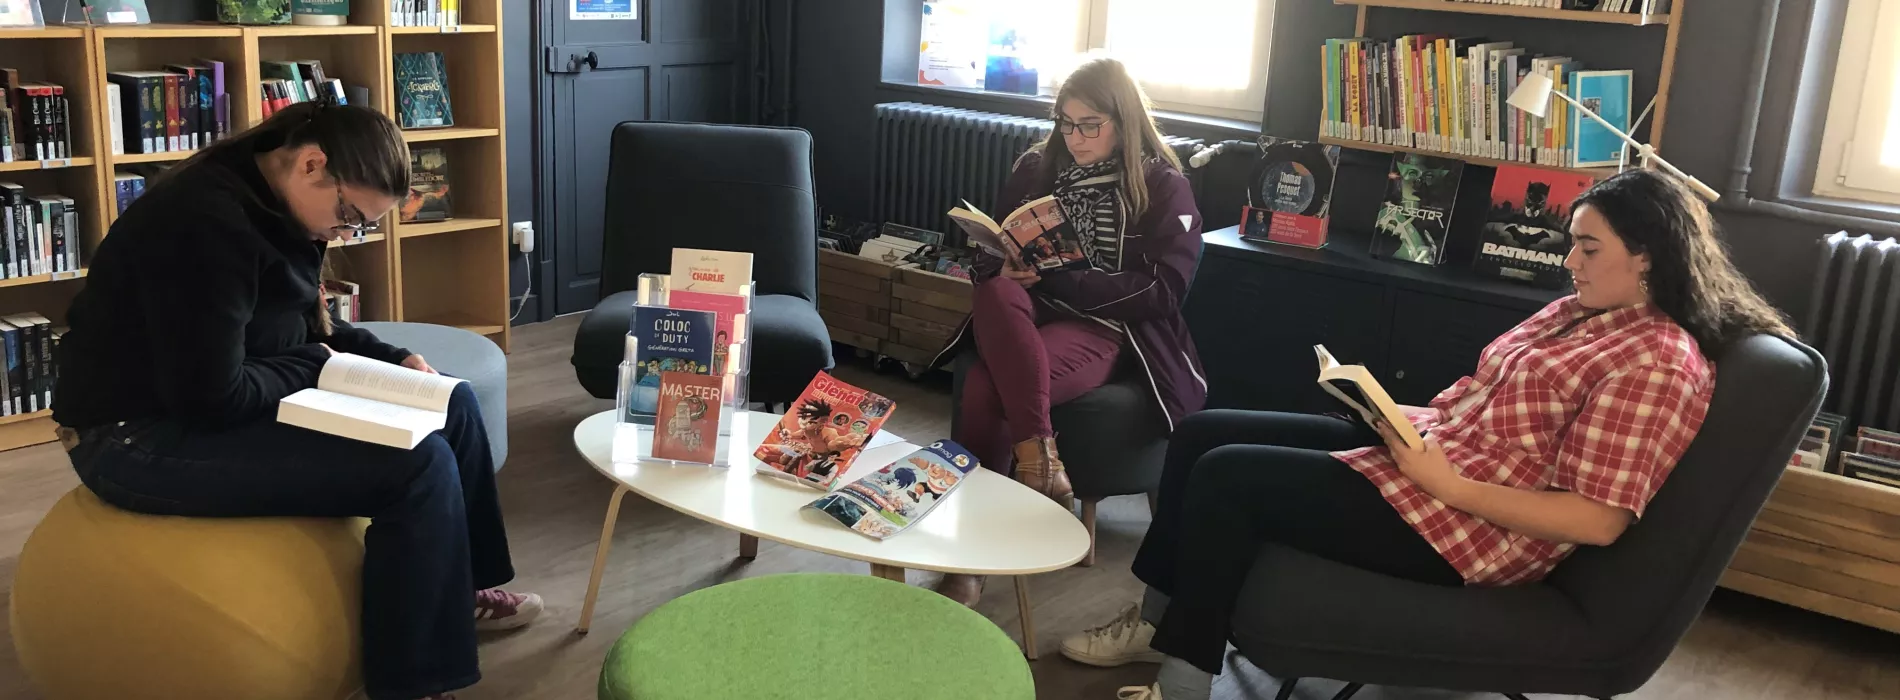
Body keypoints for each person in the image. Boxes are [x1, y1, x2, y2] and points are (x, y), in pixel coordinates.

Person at [1060, 170, 1795, 700]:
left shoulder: (1658, 363)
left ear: (1649, 256)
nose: (1569, 261)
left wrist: (1447, 482)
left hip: (1466, 527)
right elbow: (1484, 403)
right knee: (1202, 434)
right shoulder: (1581, 311)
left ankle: (1183, 680)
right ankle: (1157, 619)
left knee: (1230, 479)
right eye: (1573, 243)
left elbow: (1596, 519)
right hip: (1433, 463)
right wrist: (1384, 411)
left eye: (1588, 248)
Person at [51, 102, 536, 700]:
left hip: (211, 397)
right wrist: (312, 366)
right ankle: (414, 683)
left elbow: (303, 328)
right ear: (312, 165)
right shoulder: (203, 225)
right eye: (349, 216)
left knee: (451, 402)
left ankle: (458, 596)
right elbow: (212, 398)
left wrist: (393, 359)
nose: (345, 234)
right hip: (134, 434)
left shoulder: (278, 209)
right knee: (417, 467)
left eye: (360, 227)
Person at [928, 57, 1207, 607]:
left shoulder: (1163, 186)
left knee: (986, 386)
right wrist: (1001, 263)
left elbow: (1164, 291)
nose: (1074, 137)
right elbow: (990, 252)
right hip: (1023, 311)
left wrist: (1067, 281)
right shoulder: (1037, 167)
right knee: (996, 290)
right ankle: (1042, 467)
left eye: (1089, 125)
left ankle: (972, 555)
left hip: (1105, 325)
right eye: (1065, 122)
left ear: (1123, 122)